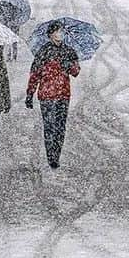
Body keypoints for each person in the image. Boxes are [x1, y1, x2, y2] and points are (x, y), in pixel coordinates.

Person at [25, 22, 80, 170]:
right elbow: (35, 74)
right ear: (51, 34)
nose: (59, 34)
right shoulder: (43, 52)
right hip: (47, 95)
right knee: (49, 126)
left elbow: (76, 72)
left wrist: (68, 65)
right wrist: (30, 93)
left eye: (61, 31)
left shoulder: (68, 51)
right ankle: (51, 156)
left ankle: (56, 154)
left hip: (63, 94)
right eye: (57, 31)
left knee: (60, 127)